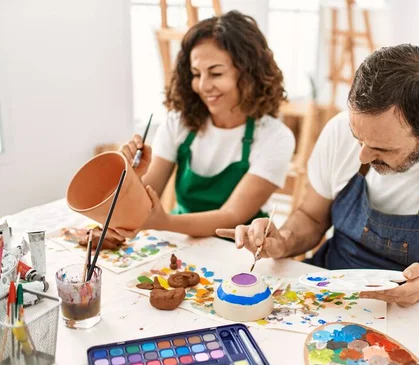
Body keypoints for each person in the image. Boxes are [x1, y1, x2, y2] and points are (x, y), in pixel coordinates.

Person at [217, 44, 419, 307]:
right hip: (332, 285)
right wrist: (283, 241)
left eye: (381, 148)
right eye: (357, 137)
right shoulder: (337, 130)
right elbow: (311, 217)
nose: (362, 155)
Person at [113, 11, 295, 240]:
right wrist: (133, 176)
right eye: (196, 74)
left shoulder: (275, 136)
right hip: (180, 240)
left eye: (216, 73)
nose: (203, 85)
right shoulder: (178, 123)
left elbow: (231, 215)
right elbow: (143, 203)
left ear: (250, 74)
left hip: (238, 246)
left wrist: (163, 222)